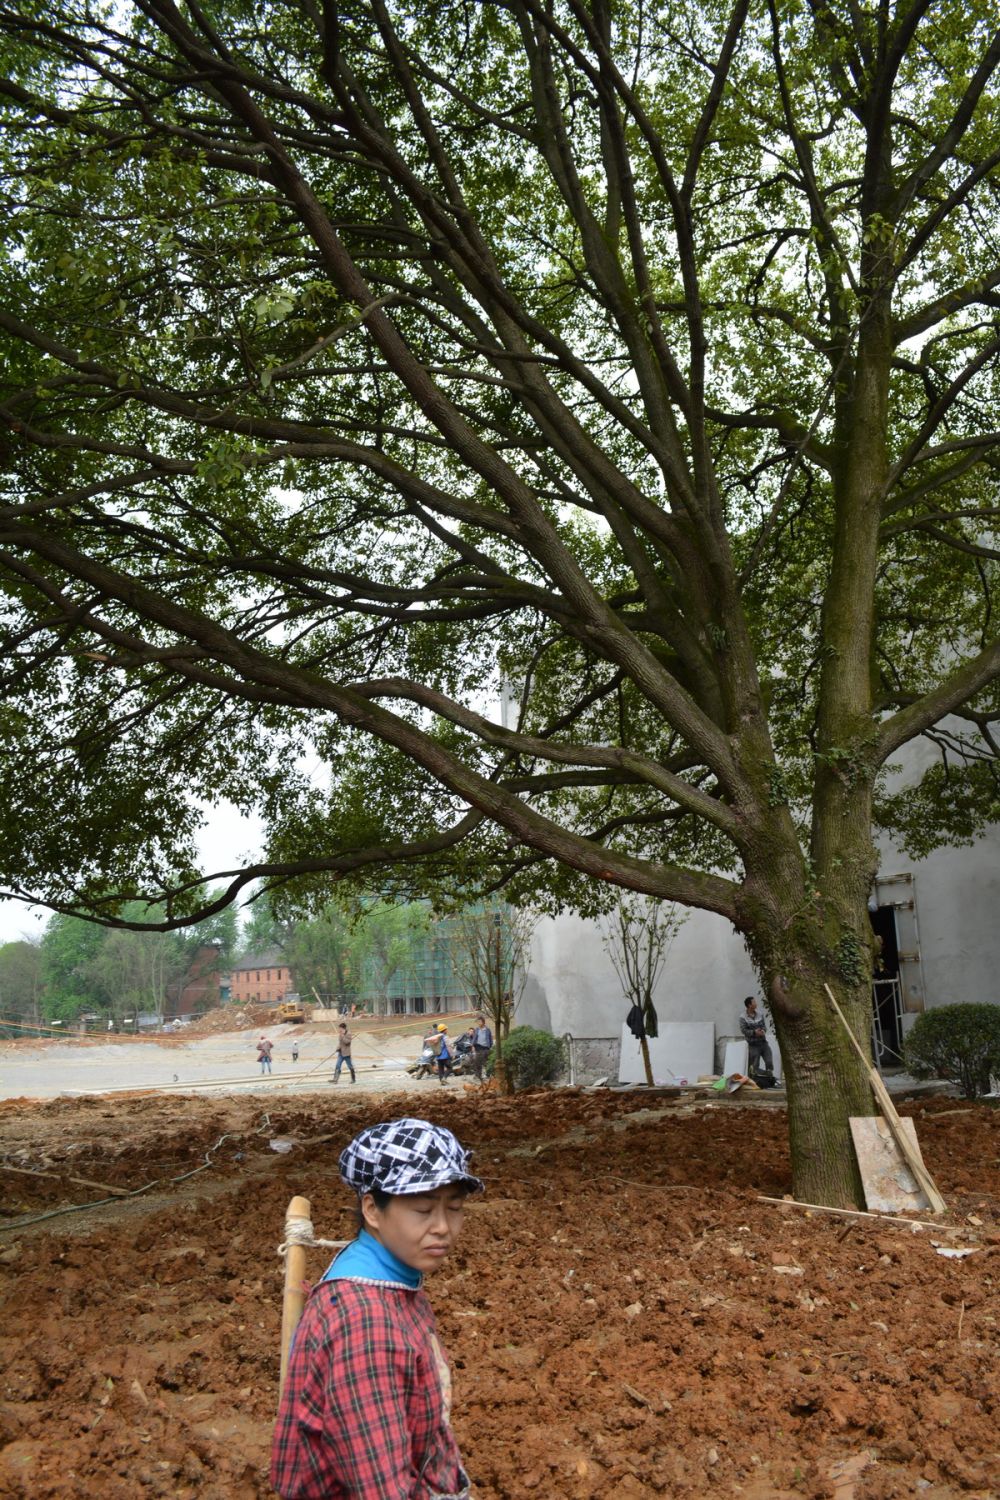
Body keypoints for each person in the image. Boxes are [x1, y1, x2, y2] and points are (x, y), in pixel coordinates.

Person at [271, 1117, 481, 1499]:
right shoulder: (363, 1323)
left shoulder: (394, 1278)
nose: (443, 1227)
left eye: (454, 1208)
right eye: (422, 1209)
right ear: (371, 1209)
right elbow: (381, 1486)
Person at [740, 997, 774, 1077]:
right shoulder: (743, 1017)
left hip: (763, 1043)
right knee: (755, 1065)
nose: (756, 1003)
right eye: (754, 1002)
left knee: (769, 1062)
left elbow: (764, 1026)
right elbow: (744, 1031)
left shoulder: (760, 1014)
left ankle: (769, 1078)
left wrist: (763, 1031)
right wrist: (754, 1032)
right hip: (753, 1045)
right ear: (749, 1005)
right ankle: (755, 1079)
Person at [470, 1014, 493, 1081]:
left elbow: (490, 1039)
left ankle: (488, 1075)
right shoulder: (476, 1029)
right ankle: (478, 1076)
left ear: (483, 1022)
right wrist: (472, 1045)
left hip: (486, 1048)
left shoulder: (487, 1029)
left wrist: (490, 1046)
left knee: (486, 1062)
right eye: (477, 1022)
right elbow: (474, 1038)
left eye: (479, 1021)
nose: (478, 1023)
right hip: (478, 1048)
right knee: (477, 1062)